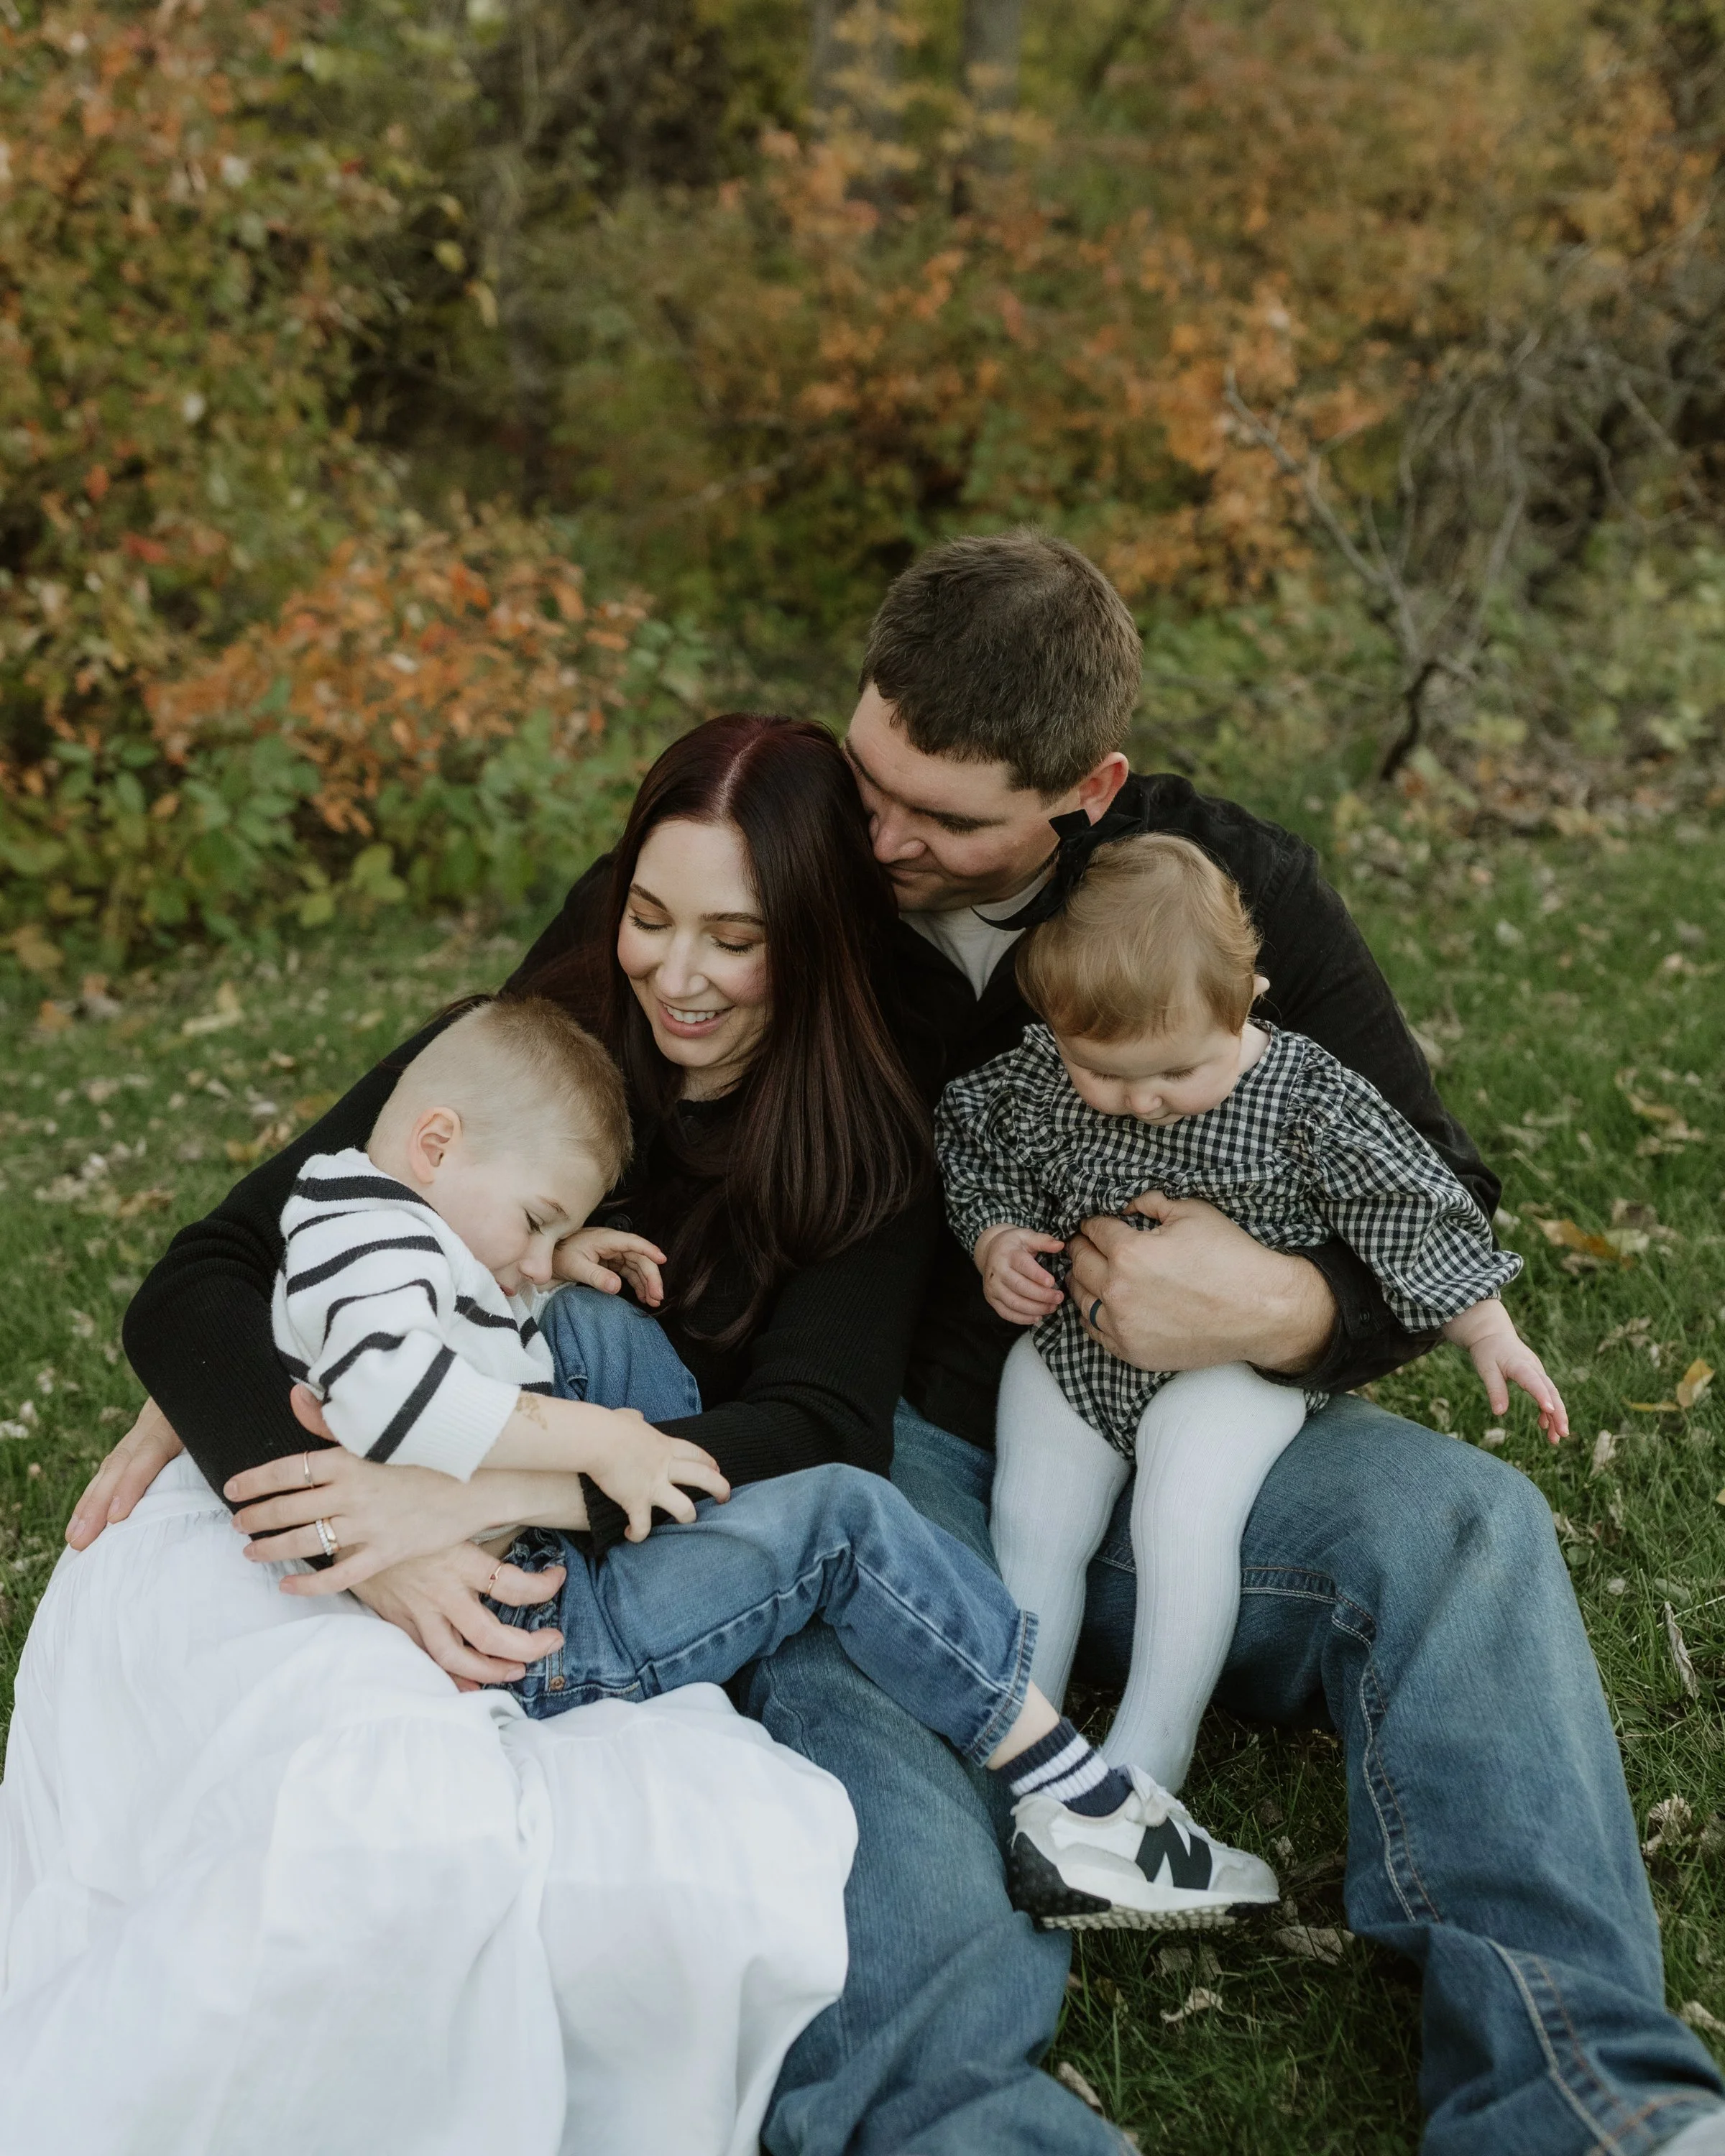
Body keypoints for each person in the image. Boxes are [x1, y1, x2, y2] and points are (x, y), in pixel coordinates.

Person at [68, 534, 1725, 2155]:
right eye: (870, 778)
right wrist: (274, 1406)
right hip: (888, 1438)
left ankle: (1593, 2103)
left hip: (1180, 1421)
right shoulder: (758, 861)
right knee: (863, 1690)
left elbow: (1440, 1201)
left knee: (1469, 1531)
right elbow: (436, 1148)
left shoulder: (1219, 897)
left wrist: (1284, 1308)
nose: (882, 838)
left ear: (1087, 793)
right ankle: (958, 2114)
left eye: (941, 819)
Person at [264, 990, 1279, 1930]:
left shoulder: (378, 1217)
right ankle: (1080, 1801)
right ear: (436, 1144)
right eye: (536, 1220)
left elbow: (444, 1327)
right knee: (845, 1515)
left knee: (587, 1317)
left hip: (541, 1552)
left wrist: (547, 1272)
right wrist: (611, 1441)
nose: (534, 1252)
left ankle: (711, 1527)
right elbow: (395, 1392)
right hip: (543, 1629)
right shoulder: (370, 1244)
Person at [938, 829, 1565, 1797]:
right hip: (1076, 1344)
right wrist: (996, 1239)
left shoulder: (1306, 1100)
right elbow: (972, 1136)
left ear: (1246, 1005)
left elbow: (1408, 1202)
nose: (1142, 1102)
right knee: (1032, 1517)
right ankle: (1027, 1742)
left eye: (1176, 1075)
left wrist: (1483, 1324)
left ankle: (1146, 1762)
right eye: (1102, 1073)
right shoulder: (1035, 1079)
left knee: (1185, 1518)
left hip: (1226, 1364)